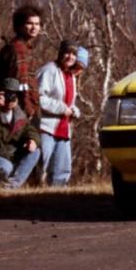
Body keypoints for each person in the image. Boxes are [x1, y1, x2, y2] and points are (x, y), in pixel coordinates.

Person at [36, 40, 83, 186]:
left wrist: (74, 110)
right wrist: (62, 109)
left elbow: (70, 102)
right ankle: (29, 193)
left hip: (63, 128)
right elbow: (38, 97)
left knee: (62, 168)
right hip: (46, 126)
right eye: (67, 53)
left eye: (73, 54)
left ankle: (58, 195)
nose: (70, 57)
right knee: (40, 163)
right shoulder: (49, 70)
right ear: (61, 53)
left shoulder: (71, 76)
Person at [0, 4, 43, 121]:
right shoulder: (19, 49)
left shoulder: (24, 48)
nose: (34, 27)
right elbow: (21, 82)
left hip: (14, 109)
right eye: (30, 23)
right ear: (20, 26)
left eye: (37, 24)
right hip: (17, 111)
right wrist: (29, 110)